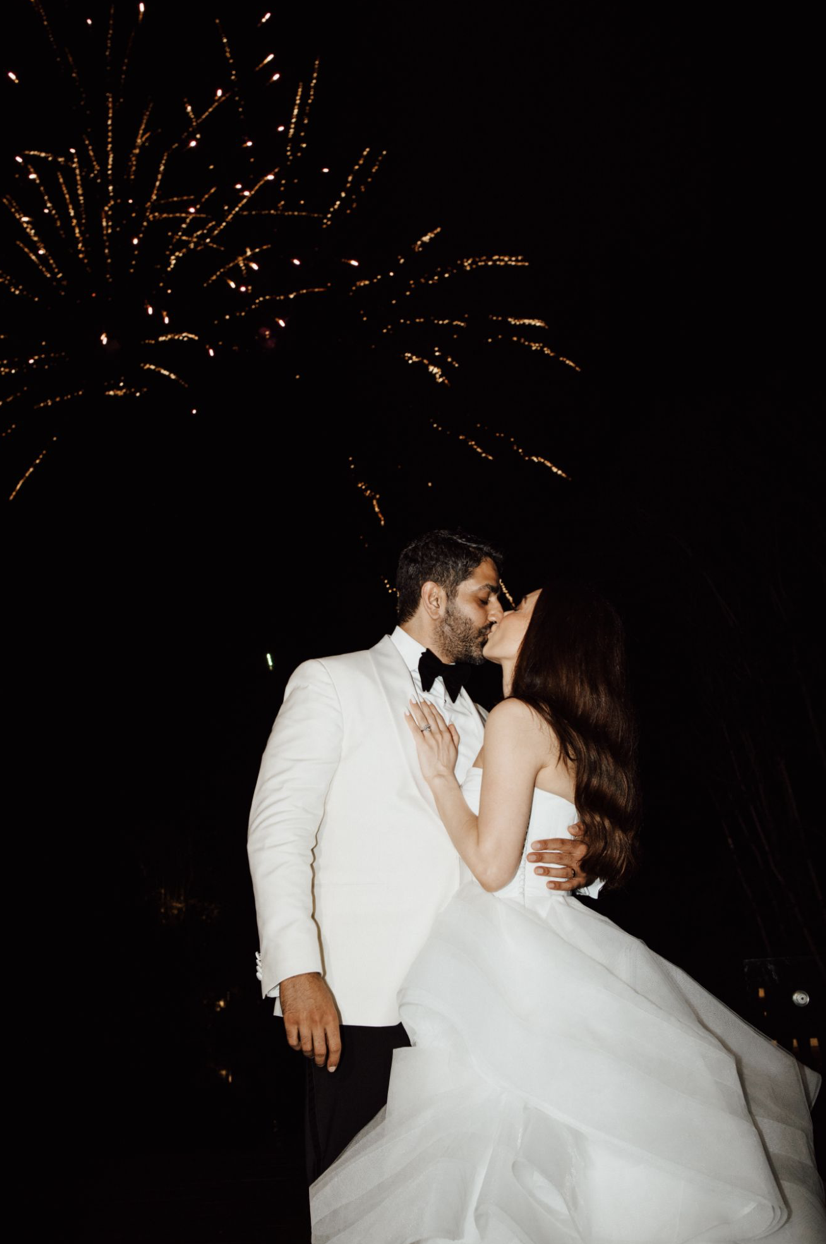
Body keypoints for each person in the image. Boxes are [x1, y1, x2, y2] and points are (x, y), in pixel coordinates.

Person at [310, 583, 826, 1243]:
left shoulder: (515, 718)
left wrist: (442, 780)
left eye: (517, 607)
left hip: (508, 948)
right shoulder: (566, 732)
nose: (499, 612)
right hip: (548, 940)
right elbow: (552, 846)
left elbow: (496, 870)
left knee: (499, 1136)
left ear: (552, 636)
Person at [247, 532, 598, 1184]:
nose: (497, 611)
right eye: (486, 594)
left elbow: (504, 835)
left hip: (466, 1006)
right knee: (354, 1201)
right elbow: (278, 831)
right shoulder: (331, 680)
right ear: (435, 597)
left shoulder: (487, 715)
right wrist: (296, 968)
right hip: (360, 1001)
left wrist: (582, 862)